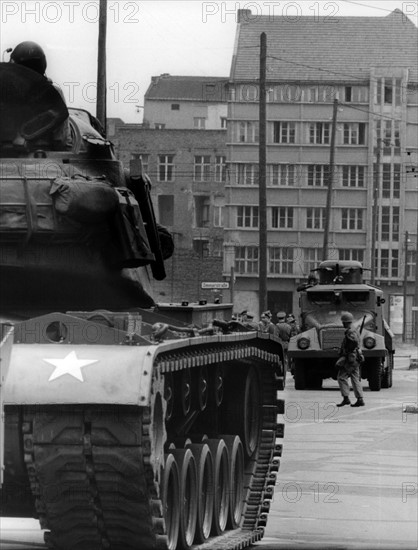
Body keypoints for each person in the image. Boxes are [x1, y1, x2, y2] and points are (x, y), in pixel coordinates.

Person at [336, 312, 365, 407]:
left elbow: (353, 343)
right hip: (356, 357)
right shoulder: (354, 330)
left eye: (343, 322)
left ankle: (346, 398)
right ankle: (360, 398)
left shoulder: (350, 331)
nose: (342, 324)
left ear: (345, 322)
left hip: (350, 358)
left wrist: (346, 352)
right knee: (355, 378)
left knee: (341, 377)